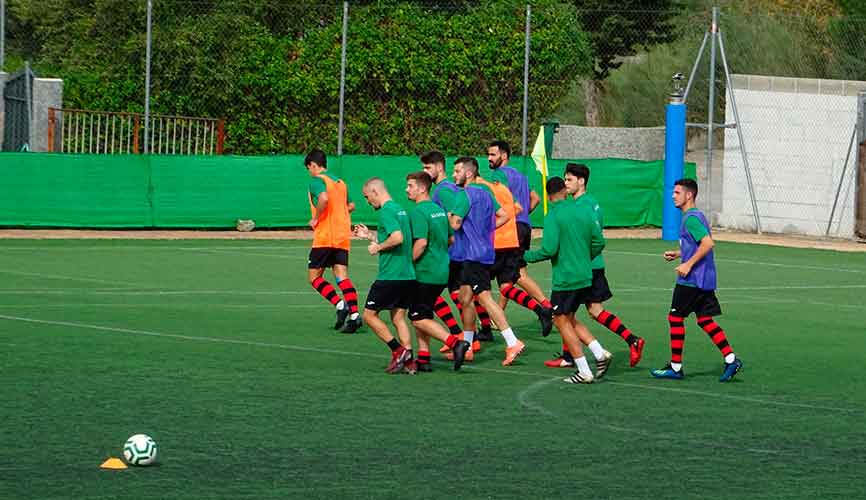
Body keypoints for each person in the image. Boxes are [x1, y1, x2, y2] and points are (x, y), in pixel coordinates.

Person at [544, 163, 645, 369]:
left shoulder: (585, 204)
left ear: (581, 181)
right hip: (587, 265)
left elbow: (594, 239)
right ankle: (627, 341)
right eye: (565, 179)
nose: (566, 183)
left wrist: (580, 257)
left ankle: (626, 341)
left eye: (569, 179)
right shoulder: (582, 203)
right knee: (582, 312)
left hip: (586, 267)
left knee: (568, 314)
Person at [651, 178, 743, 382]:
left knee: (675, 318)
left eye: (676, 193)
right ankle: (731, 359)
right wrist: (678, 254)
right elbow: (696, 244)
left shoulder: (691, 218)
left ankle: (675, 368)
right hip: (703, 279)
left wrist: (687, 264)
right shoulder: (695, 216)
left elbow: (708, 244)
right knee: (704, 320)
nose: (673, 196)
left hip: (691, 280)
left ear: (689, 195)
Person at [525, 177, 613, 384]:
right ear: (565, 190)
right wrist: (584, 257)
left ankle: (584, 371)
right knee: (570, 318)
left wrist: (525, 256)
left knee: (560, 320)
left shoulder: (553, 214)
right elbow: (599, 241)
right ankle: (600, 354)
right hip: (585, 276)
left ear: (548, 195)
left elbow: (549, 249)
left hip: (565, 279)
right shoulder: (584, 209)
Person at [450, 157, 526, 367]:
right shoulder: (486, 193)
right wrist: (486, 229)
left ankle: (512, 341)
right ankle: (467, 346)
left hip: (473, 256)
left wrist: (448, 217)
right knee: (465, 298)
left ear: (468, 173)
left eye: (457, 171)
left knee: (484, 298)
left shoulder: (464, 195)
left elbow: (455, 224)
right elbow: (503, 216)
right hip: (483, 253)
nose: (453, 175)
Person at [404, 171, 472, 371]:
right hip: (442, 270)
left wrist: (407, 262)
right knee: (423, 314)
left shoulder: (418, 212)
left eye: (410, 186)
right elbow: (451, 239)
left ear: (422, 188)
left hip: (425, 272)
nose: (406, 190)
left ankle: (455, 342)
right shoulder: (439, 210)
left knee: (417, 317)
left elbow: (421, 243)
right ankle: (424, 358)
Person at [474, 166, 553, 337]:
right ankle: (542, 309)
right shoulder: (509, 183)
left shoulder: (482, 189)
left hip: (496, 243)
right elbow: (519, 207)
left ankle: (485, 329)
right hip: (513, 238)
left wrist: (491, 225)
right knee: (508, 284)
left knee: (476, 286)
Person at [353, 178, 418, 374]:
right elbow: (396, 234)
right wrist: (371, 236)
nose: (367, 201)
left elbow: (397, 238)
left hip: (391, 275)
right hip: (407, 275)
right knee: (399, 317)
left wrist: (377, 247)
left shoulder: (386, 212)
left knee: (369, 315)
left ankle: (398, 351)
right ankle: (410, 362)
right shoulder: (400, 209)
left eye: (367, 197)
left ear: (375, 192)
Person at [303, 149, 361, 333]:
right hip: (342, 236)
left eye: (309, 168)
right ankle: (354, 315)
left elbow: (324, 198)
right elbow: (351, 205)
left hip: (325, 236)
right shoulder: (339, 182)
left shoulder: (316, 181)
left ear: (313, 165)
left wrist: (316, 219)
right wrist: (339, 214)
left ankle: (340, 304)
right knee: (342, 276)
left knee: (314, 278)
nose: (309, 172)